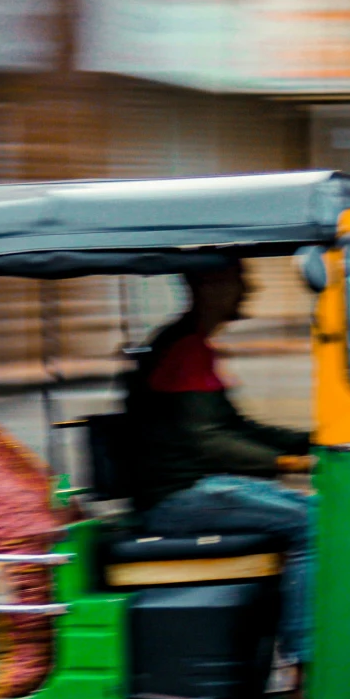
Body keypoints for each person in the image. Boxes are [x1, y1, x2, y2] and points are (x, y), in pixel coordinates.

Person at [125, 259, 317, 666]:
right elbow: (211, 442)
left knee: (311, 512)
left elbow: (232, 426)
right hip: (178, 499)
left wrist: (311, 441)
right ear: (208, 285)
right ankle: (305, 663)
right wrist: (290, 462)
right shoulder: (187, 348)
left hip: (188, 491)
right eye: (240, 280)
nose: (249, 291)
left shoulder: (188, 343)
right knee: (314, 523)